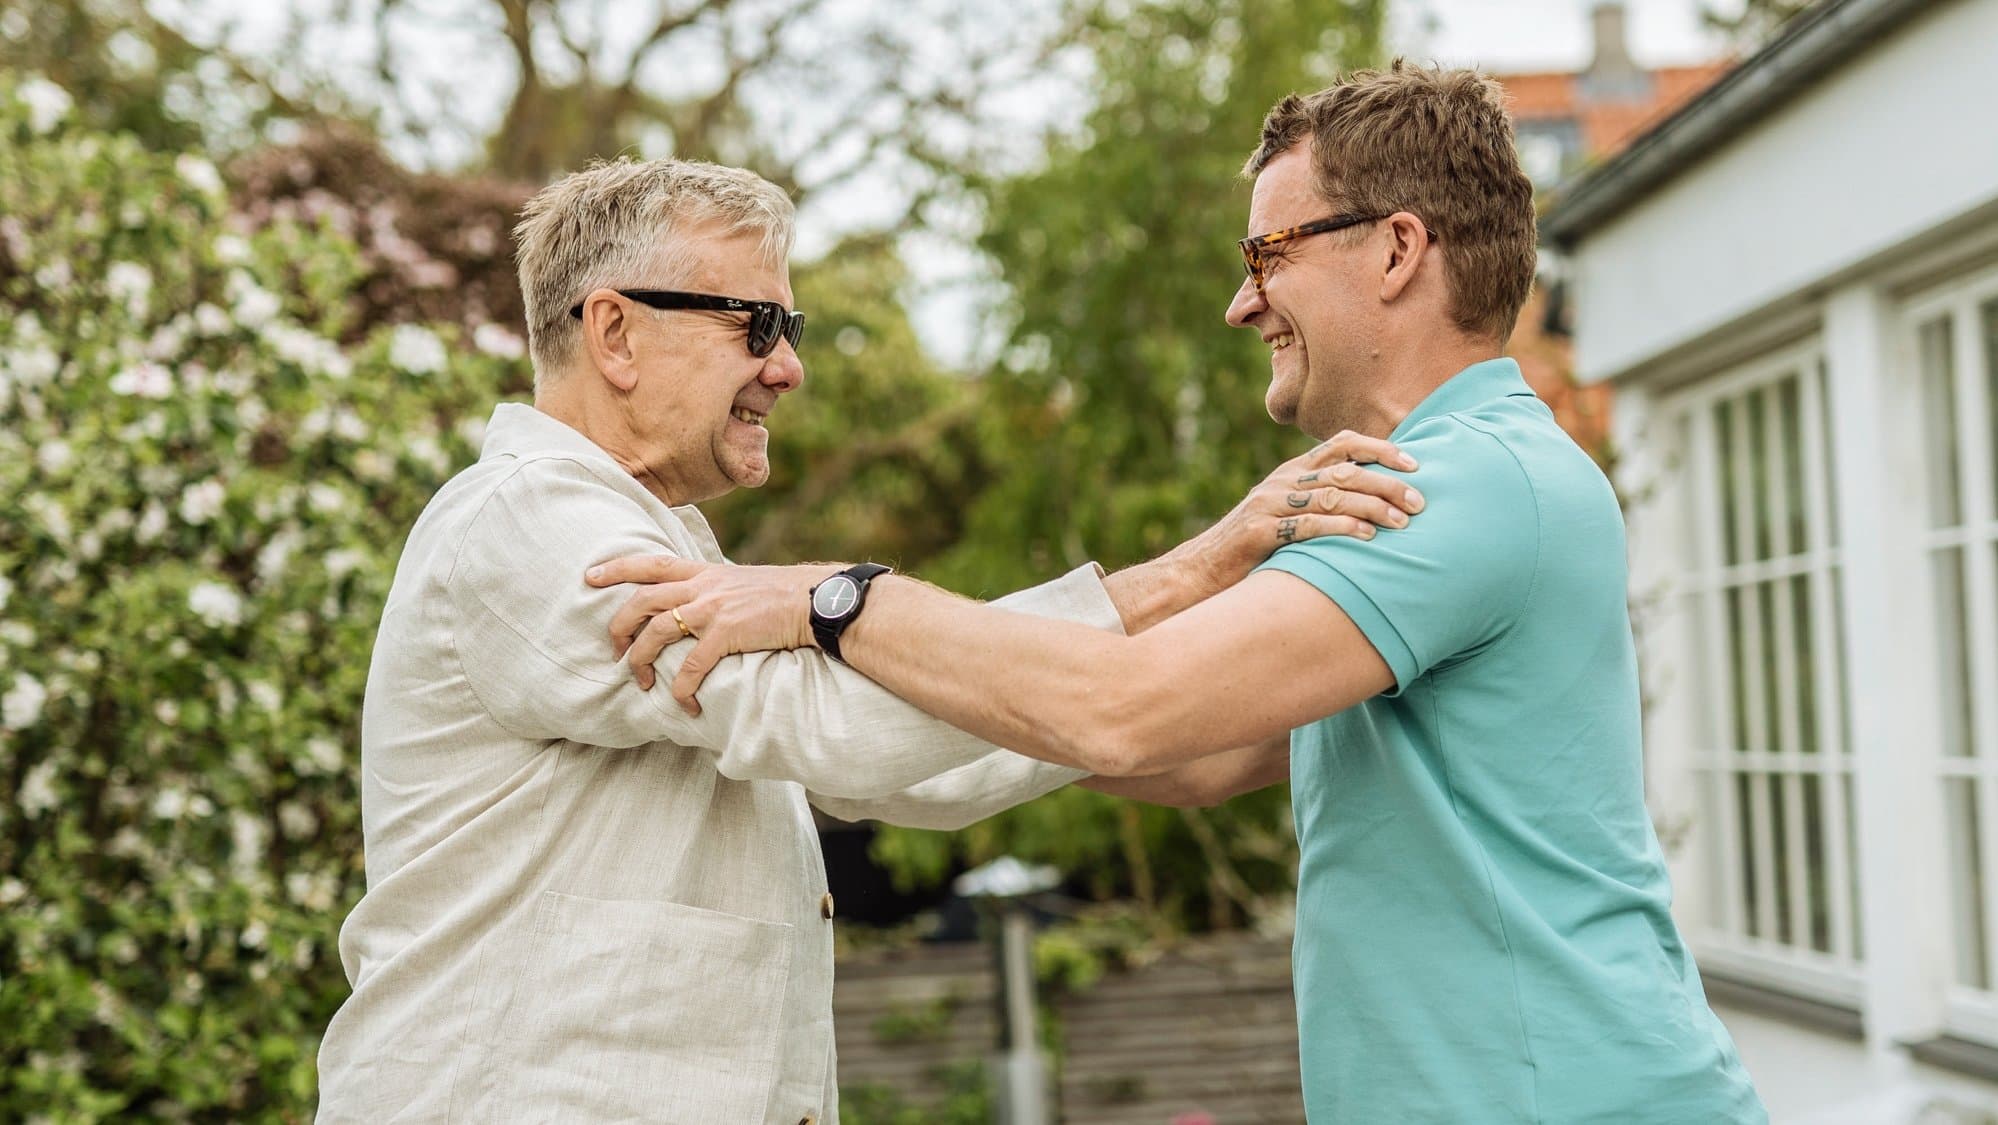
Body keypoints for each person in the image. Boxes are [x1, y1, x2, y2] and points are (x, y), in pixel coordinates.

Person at [592, 65, 1768, 1123]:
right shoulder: (1419, 491)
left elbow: (1125, 711)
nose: (1242, 303)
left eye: (1271, 255)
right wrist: (871, 719)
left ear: (1398, 250)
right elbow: (1189, 760)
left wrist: (832, 602)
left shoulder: (1461, 490)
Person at [312, 157, 1421, 1124]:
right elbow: (845, 723)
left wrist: (1254, 691)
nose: (788, 367)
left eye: (789, 330)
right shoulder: (533, 525)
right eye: (755, 324)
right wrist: (1203, 564)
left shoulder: (662, 544)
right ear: (614, 331)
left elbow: (932, 765)